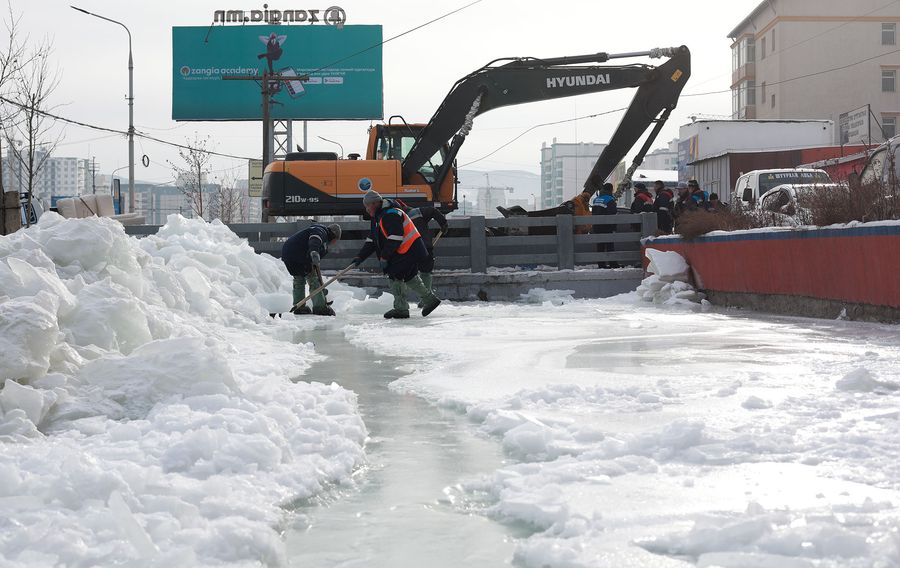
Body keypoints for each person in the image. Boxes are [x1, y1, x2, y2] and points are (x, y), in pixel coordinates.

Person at [351, 190, 441, 319]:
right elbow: (373, 240)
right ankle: (430, 300)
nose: (366, 209)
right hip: (408, 250)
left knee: (394, 276)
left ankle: (401, 309)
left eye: (367, 206)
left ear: (375, 203)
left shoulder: (390, 214)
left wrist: (384, 257)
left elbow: (395, 237)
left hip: (408, 249)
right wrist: (360, 257)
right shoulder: (378, 217)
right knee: (410, 276)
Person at [281, 223, 342, 316]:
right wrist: (314, 252)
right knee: (313, 280)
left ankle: (299, 307)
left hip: (287, 254)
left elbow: (314, 264)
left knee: (299, 280)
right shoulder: (321, 231)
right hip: (300, 254)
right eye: (336, 240)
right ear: (334, 236)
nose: (335, 242)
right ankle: (320, 308)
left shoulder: (322, 241)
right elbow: (315, 239)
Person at [396, 200, 449, 296]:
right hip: (424, 247)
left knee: (407, 274)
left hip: (409, 251)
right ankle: (426, 298)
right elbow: (433, 211)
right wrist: (443, 223)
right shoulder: (417, 212)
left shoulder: (396, 219)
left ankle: (406, 299)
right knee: (426, 272)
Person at [592, 182, 618, 268]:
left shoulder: (596, 199)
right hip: (607, 227)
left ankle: (601, 264)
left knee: (600, 246)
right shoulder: (610, 200)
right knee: (610, 246)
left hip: (597, 226)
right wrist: (614, 227)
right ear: (611, 190)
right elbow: (613, 214)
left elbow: (593, 213)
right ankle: (613, 264)